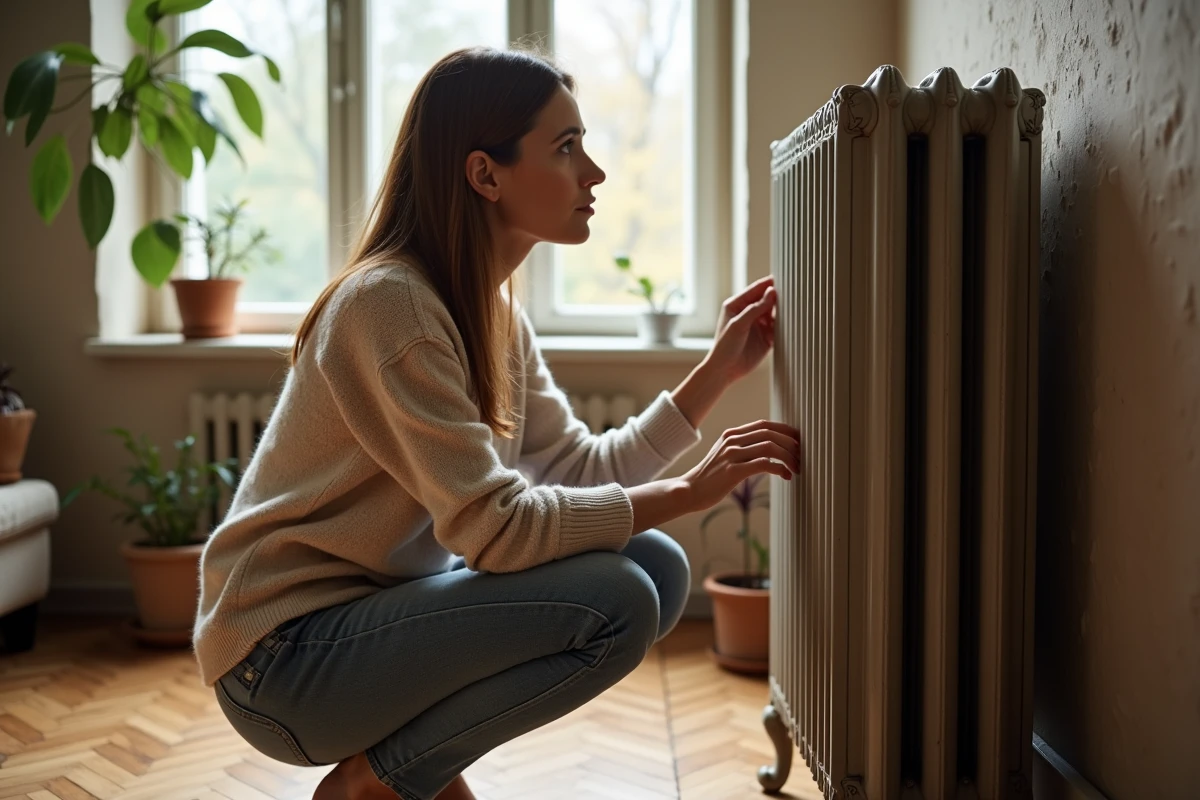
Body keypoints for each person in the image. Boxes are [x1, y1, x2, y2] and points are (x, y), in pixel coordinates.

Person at [192, 45, 801, 800]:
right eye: (567, 147)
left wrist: (716, 373)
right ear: (485, 174)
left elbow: (577, 471)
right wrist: (690, 491)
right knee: (618, 597)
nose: (595, 173)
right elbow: (497, 531)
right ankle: (380, 781)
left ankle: (410, 768)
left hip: (367, 622)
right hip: (283, 660)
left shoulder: (493, 314)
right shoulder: (391, 306)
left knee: (655, 566)